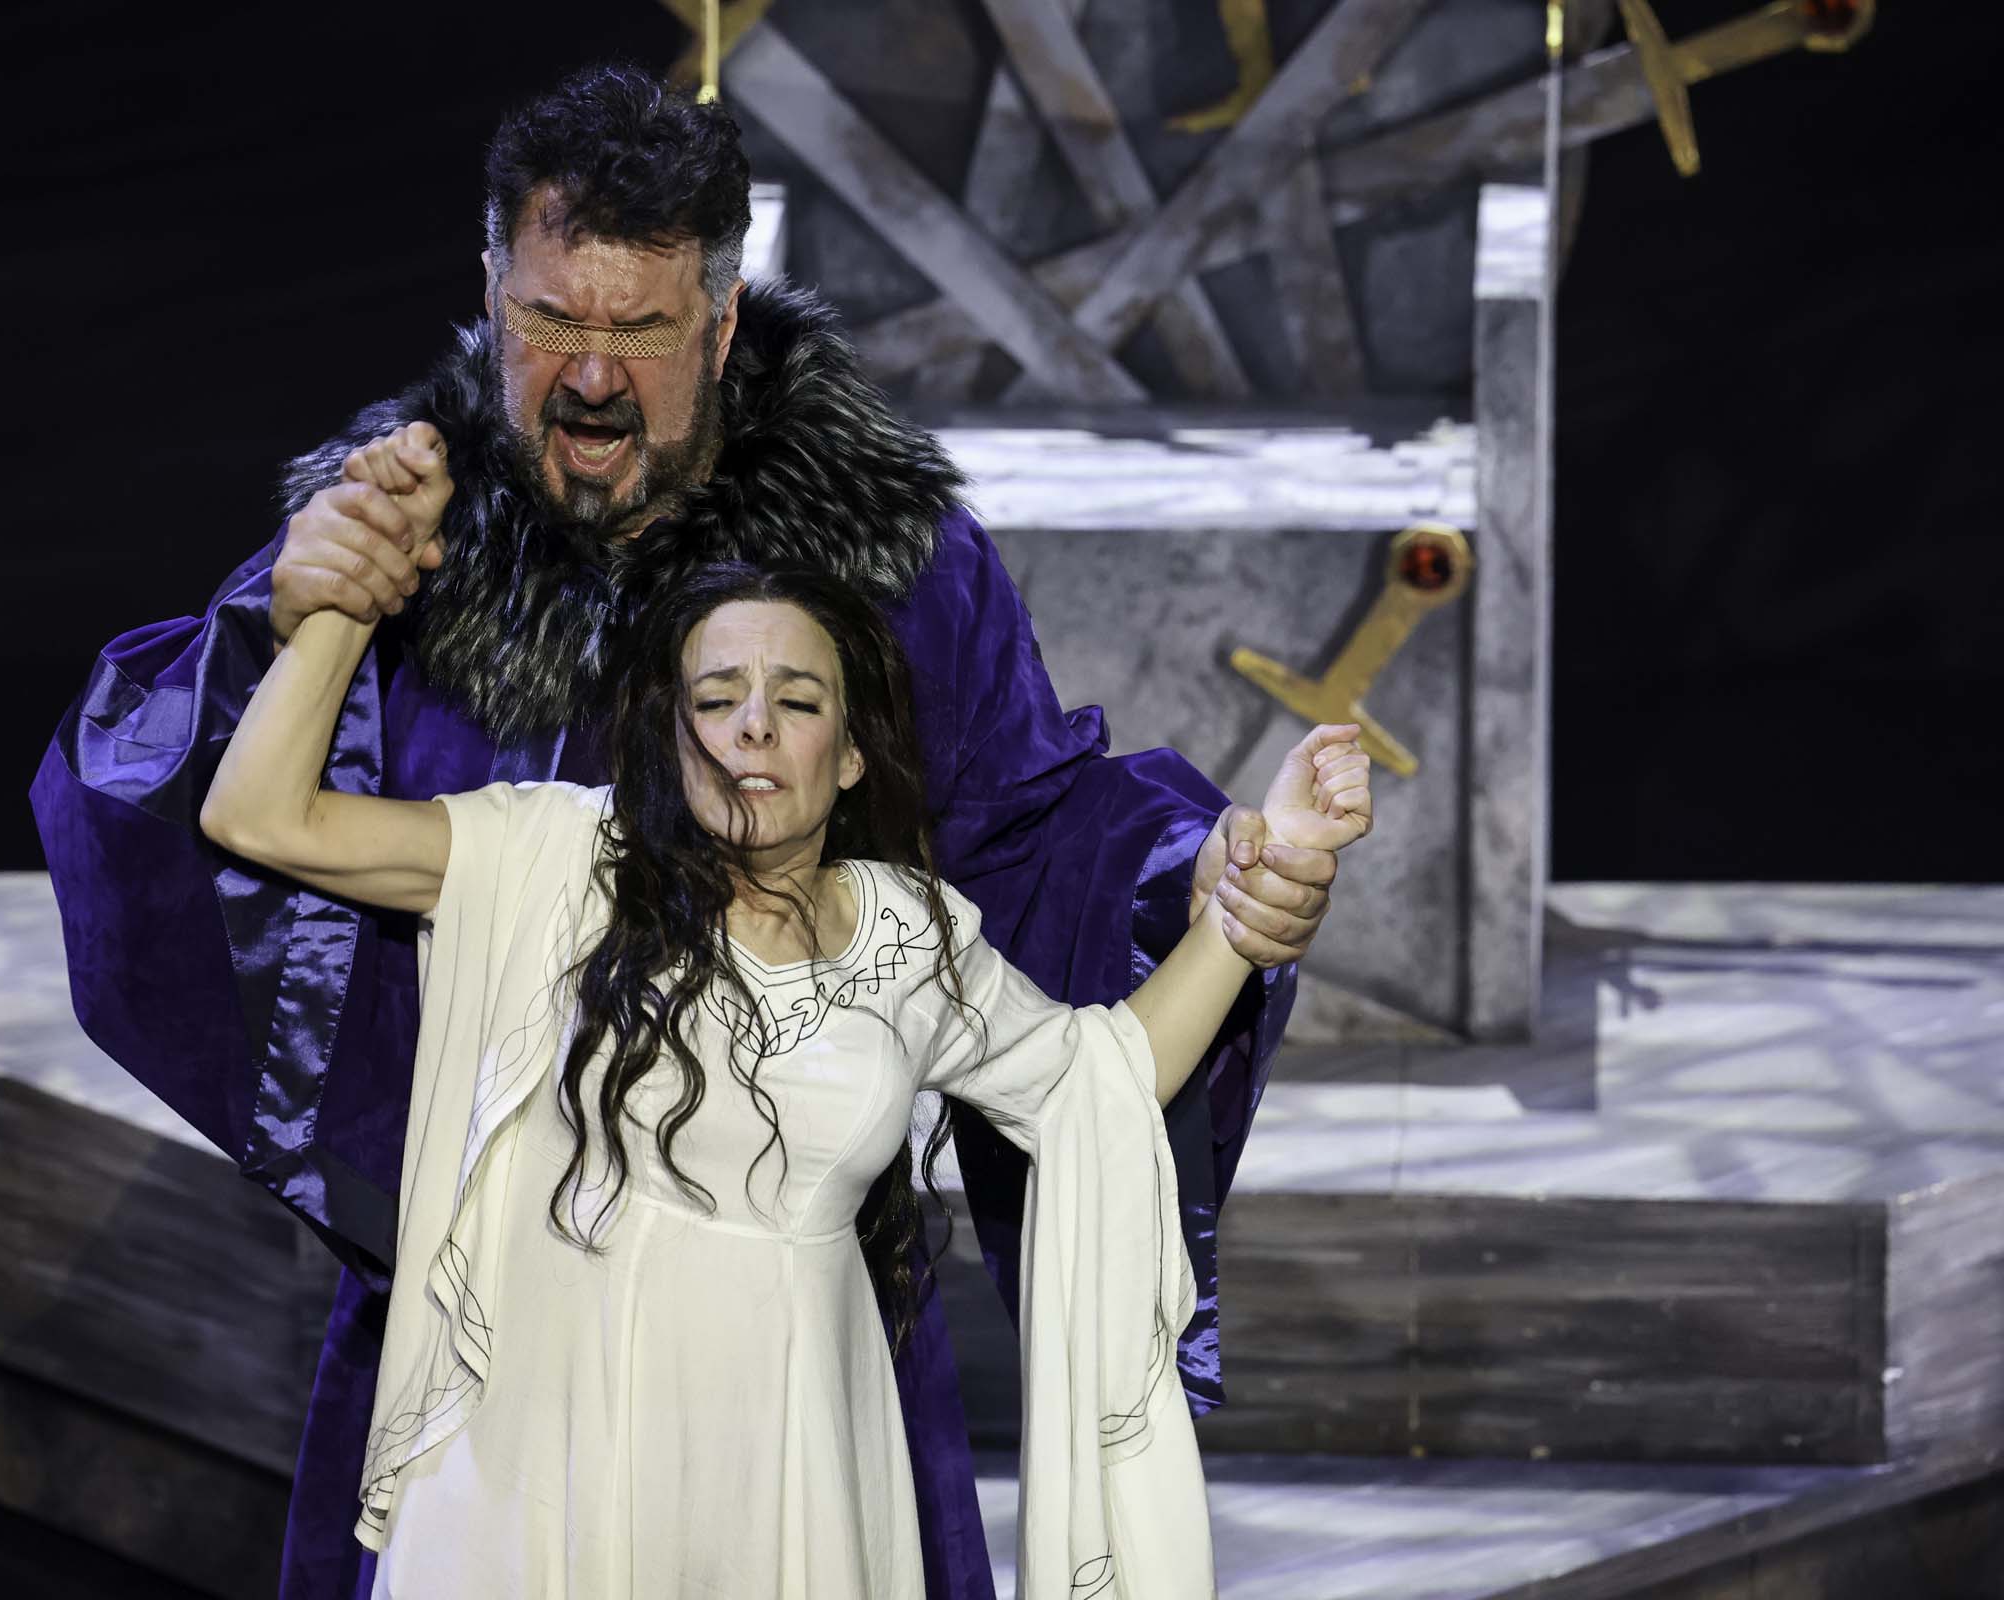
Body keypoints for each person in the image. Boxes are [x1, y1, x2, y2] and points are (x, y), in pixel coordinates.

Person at [31, 64, 1345, 1600]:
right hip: (484, 1335)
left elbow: (1039, 845)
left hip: (800, 1358)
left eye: (641, 332)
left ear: (719, 323)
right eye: (549, 320)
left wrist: (1207, 884)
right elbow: (200, 813)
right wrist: (293, 613)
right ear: (489, 291)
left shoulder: (890, 559)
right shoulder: (407, 524)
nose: (591, 376)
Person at [196, 526, 1373, 1597]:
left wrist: (1256, 890)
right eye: (717, 697)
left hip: (793, 1471)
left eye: (796, 699)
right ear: (675, 734)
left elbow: (1104, 1075)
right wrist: (344, 608)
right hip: (544, 1472)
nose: (753, 726)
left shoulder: (907, 934)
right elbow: (261, 816)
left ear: (849, 754)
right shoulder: (552, 857)